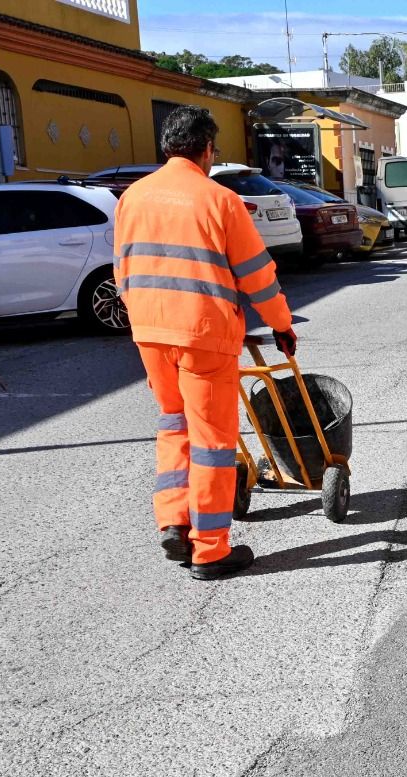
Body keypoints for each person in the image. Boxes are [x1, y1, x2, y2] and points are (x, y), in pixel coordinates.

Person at [114, 105, 296, 580]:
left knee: (174, 424)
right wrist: (280, 323)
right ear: (208, 150)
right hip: (203, 336)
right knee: (213, 441)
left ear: (166, 148)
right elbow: (257, 275)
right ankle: (210, 549)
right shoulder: (219, 200)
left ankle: (174, 521)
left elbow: (122, 269)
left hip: (151, 333)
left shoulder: (132, 198)